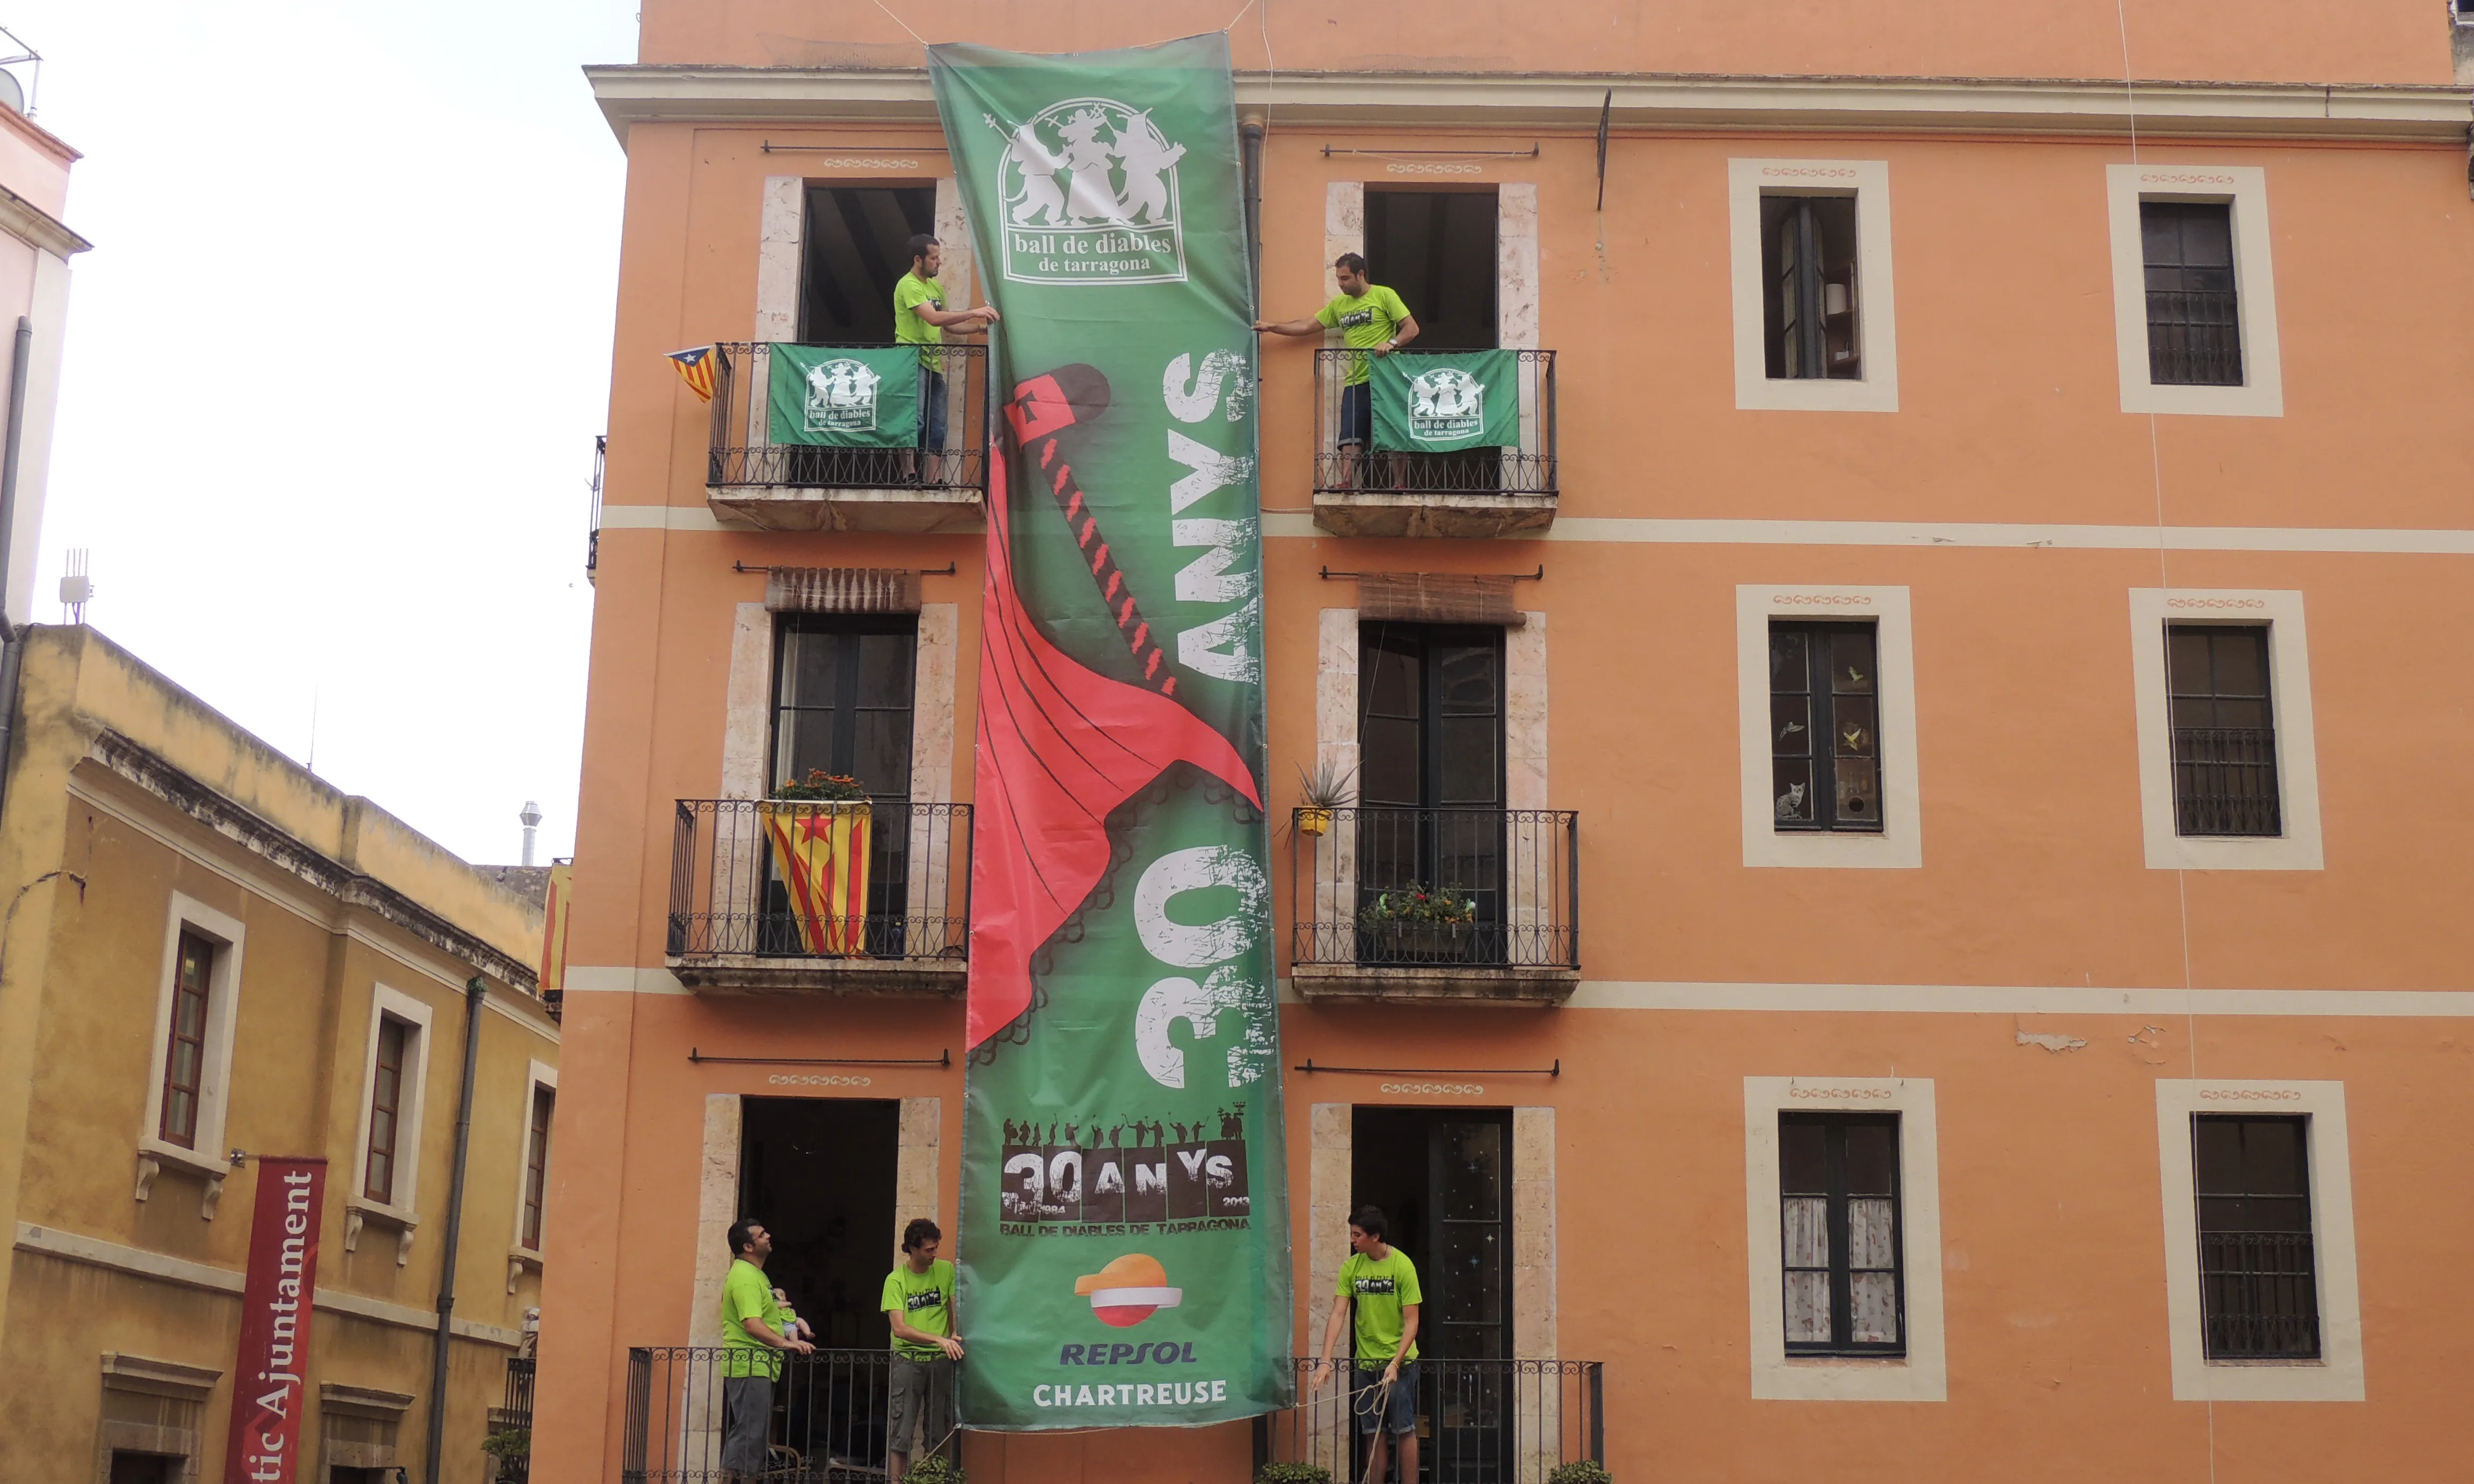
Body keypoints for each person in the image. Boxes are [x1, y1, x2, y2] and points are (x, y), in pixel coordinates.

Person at [1254, 253, 1420, 491]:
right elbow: (1308, 325)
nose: (1340, 284)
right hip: (1356, 380)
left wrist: (1392, 343)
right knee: (1350, 434)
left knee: (1394, 430)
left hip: (1387, 377)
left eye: (1345, 278)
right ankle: (1347, 482)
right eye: (1338, 279)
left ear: (1360, 275)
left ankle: (1399, 483)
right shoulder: (1339, 305)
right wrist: (1274, 327)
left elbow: (1412, 328)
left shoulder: (1384, 295)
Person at [1313, 1205, 1422, 1484]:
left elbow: (1412, 1321)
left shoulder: (1403, 1266)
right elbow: (1338, 1314)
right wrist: (1325, 1361)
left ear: (1375, 1237)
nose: (1353, 1240)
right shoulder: (1352, 1267)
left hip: (1400, 1365)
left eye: (1357, 1235)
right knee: (1373, 1434)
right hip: (1366, 1363)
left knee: (1405, 1430)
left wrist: (1395, 1363)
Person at [893, 234, 1000, 484]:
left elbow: (948, 327)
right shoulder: (908, 285)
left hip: (933, 362)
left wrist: (977, 328)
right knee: (913, 419)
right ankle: (908, 474)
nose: (939, 262)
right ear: (918, 260)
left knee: (937, 424)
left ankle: (935, 479)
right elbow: (934, 318)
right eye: (934, 258)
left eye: (939, 257)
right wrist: (975, 311)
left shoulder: (936, 288)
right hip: (910, 360)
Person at [718, 1219, 813, 1482]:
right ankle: (734, 1478)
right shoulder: (746, 1279)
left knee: (755, 1430)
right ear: (749, 1246)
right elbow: (752, 1324)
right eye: (762, 1235)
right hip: (749, 1363)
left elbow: (766, 1314)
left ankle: (745, 1476)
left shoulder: (756, 1276)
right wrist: (787, 1343)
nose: (768, 1236)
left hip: (759, 1364)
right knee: (750, 1430)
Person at [883, 1217, 964, 1481]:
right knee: (901, 1430)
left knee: (938, 1430)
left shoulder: (946, 1270)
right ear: (912, 1249)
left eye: (936, 1248)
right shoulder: (895, 1280)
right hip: (908, 1359)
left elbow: (956, 1307)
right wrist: (939, 1340)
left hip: (941, 1361)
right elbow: (900, 1329)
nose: (934, 1254)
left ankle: (934, 1480)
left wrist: (955, 1332)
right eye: (929, 1250)